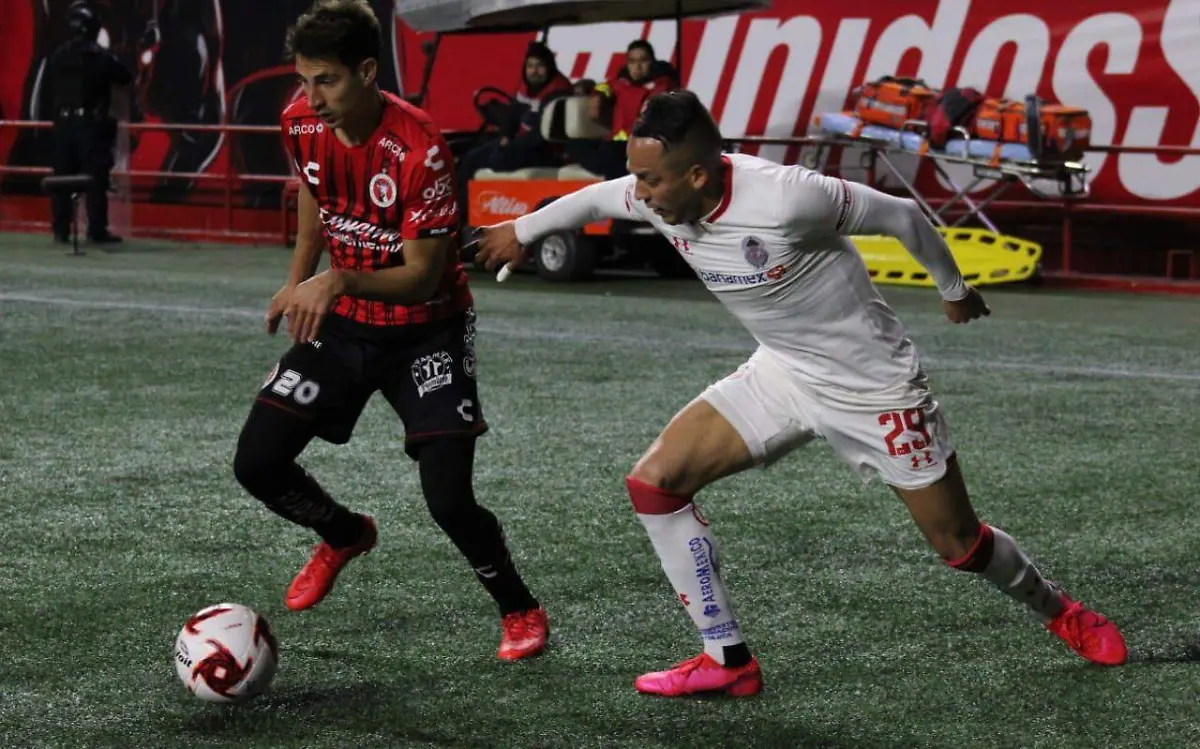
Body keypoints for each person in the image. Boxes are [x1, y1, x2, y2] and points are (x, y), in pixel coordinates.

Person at [474, 89, 1127, 696]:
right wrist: (521, 232)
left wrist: (954, 289)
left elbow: (902, 215)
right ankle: (727, 660)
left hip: (874, 385)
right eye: (635, 176)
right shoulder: (654, 192)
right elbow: (593, 200)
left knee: (959, 543)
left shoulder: (787, 198)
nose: (638, 193)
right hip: (783, 372)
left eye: (650, 180)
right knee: (655, 484)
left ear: (697, 175)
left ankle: (1060, 610)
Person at [232, 0, 548, 662]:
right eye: (304, 80)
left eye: (327, 80)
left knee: (448, 499)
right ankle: (344, 533)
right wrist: (299, 279)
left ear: (368, 71)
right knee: (257, 462)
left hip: (426, 331)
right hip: (345, 324)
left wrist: (337, 281)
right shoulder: (301, 119)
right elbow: (315, 190)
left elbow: (423, 278)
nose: (312, 97)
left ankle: (518, 605)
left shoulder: (420, 148)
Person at [45, 3, 132, 244]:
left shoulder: (58, 55)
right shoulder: (100, 57)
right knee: (95, 178)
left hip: (63, 125)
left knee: (62, 178)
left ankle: (61, 229)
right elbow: (124, 77)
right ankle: (96, 230)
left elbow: (49, 83)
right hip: (89, 126)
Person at [455, 41, 573, 212]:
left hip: (545, 150)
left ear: (549, 67)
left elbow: (541, 135)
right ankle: (463, 213)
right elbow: (514, 114)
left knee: (498, 159)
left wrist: (510, 145)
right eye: (530, 66)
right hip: (520, 144)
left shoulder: (558, 91)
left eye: (539, 66)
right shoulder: (527, 86)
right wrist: (506, 135)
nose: (534, 71)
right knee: (470, 158)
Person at [565, 40, 678, 180]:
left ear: (652, 62)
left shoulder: (663, 83)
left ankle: (619, 181)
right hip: (616, 142)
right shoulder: (621, 81)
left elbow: (648, 114)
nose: (637, 67)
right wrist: (597, 96)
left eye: (643, 61)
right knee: (574, 145)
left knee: (613, 158)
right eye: (632, 61)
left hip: (641, 143)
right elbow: (604, 87)